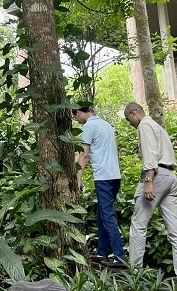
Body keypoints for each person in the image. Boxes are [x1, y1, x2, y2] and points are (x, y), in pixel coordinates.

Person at [123, 102, 177, 287]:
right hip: (170, 177)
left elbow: (150, 156)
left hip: (156, 177)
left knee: (138, 225)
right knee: (175, 230)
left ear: (133, 113)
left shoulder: (144, 125)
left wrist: (148, 181)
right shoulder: (156, 126)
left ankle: (135, 275)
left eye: (127, 119)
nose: (129, 123)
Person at [74, 105, 126, 267]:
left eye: (75, 116)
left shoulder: (88, 127)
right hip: (114, 176)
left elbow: (84, 154)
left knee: (108, 216)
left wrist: (78, 178)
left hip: (103, 177)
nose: (76, 120)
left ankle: (119, 257)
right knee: (102, 214)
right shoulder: (105, 124)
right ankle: (102, 253)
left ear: (80, 112)